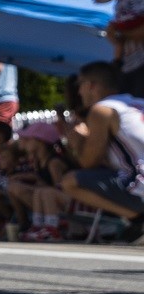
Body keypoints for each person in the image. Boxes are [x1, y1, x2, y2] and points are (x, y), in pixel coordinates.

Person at [60, 60, 144, 239]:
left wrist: (77, 141)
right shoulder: (136, 103)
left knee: (70, 182)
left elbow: (88, 163)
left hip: (139, 182)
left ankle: (138, 220)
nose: (79, 91)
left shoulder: (102, 110)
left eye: (80, 85)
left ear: (91, 86)